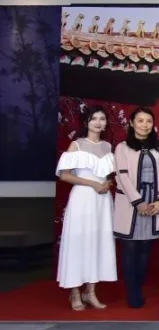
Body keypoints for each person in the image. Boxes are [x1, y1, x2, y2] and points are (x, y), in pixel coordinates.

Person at [55, 104, 117, 311]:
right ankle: (74, 292)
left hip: (102, 201)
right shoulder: (77, 145)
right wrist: (92, 184)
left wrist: (107, 183)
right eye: (94, 118)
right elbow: (65, 175)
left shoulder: (108, 146)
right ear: (86, 121)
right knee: (78, 243)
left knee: (98, 243)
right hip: (82, 199)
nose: (98, 122)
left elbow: (108, 175)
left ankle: (90, 292)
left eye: (102, 119)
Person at [114, 106, 159, 309]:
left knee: (146, 246)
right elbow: (122, 176)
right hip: (132, 203)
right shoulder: (122, 147)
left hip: (154, 202)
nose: (145, 125)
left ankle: (138, 286)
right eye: (140, 121)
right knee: (129, 247)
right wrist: (138, 202)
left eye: (148, 121)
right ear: (131, 123)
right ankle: (132, 293)